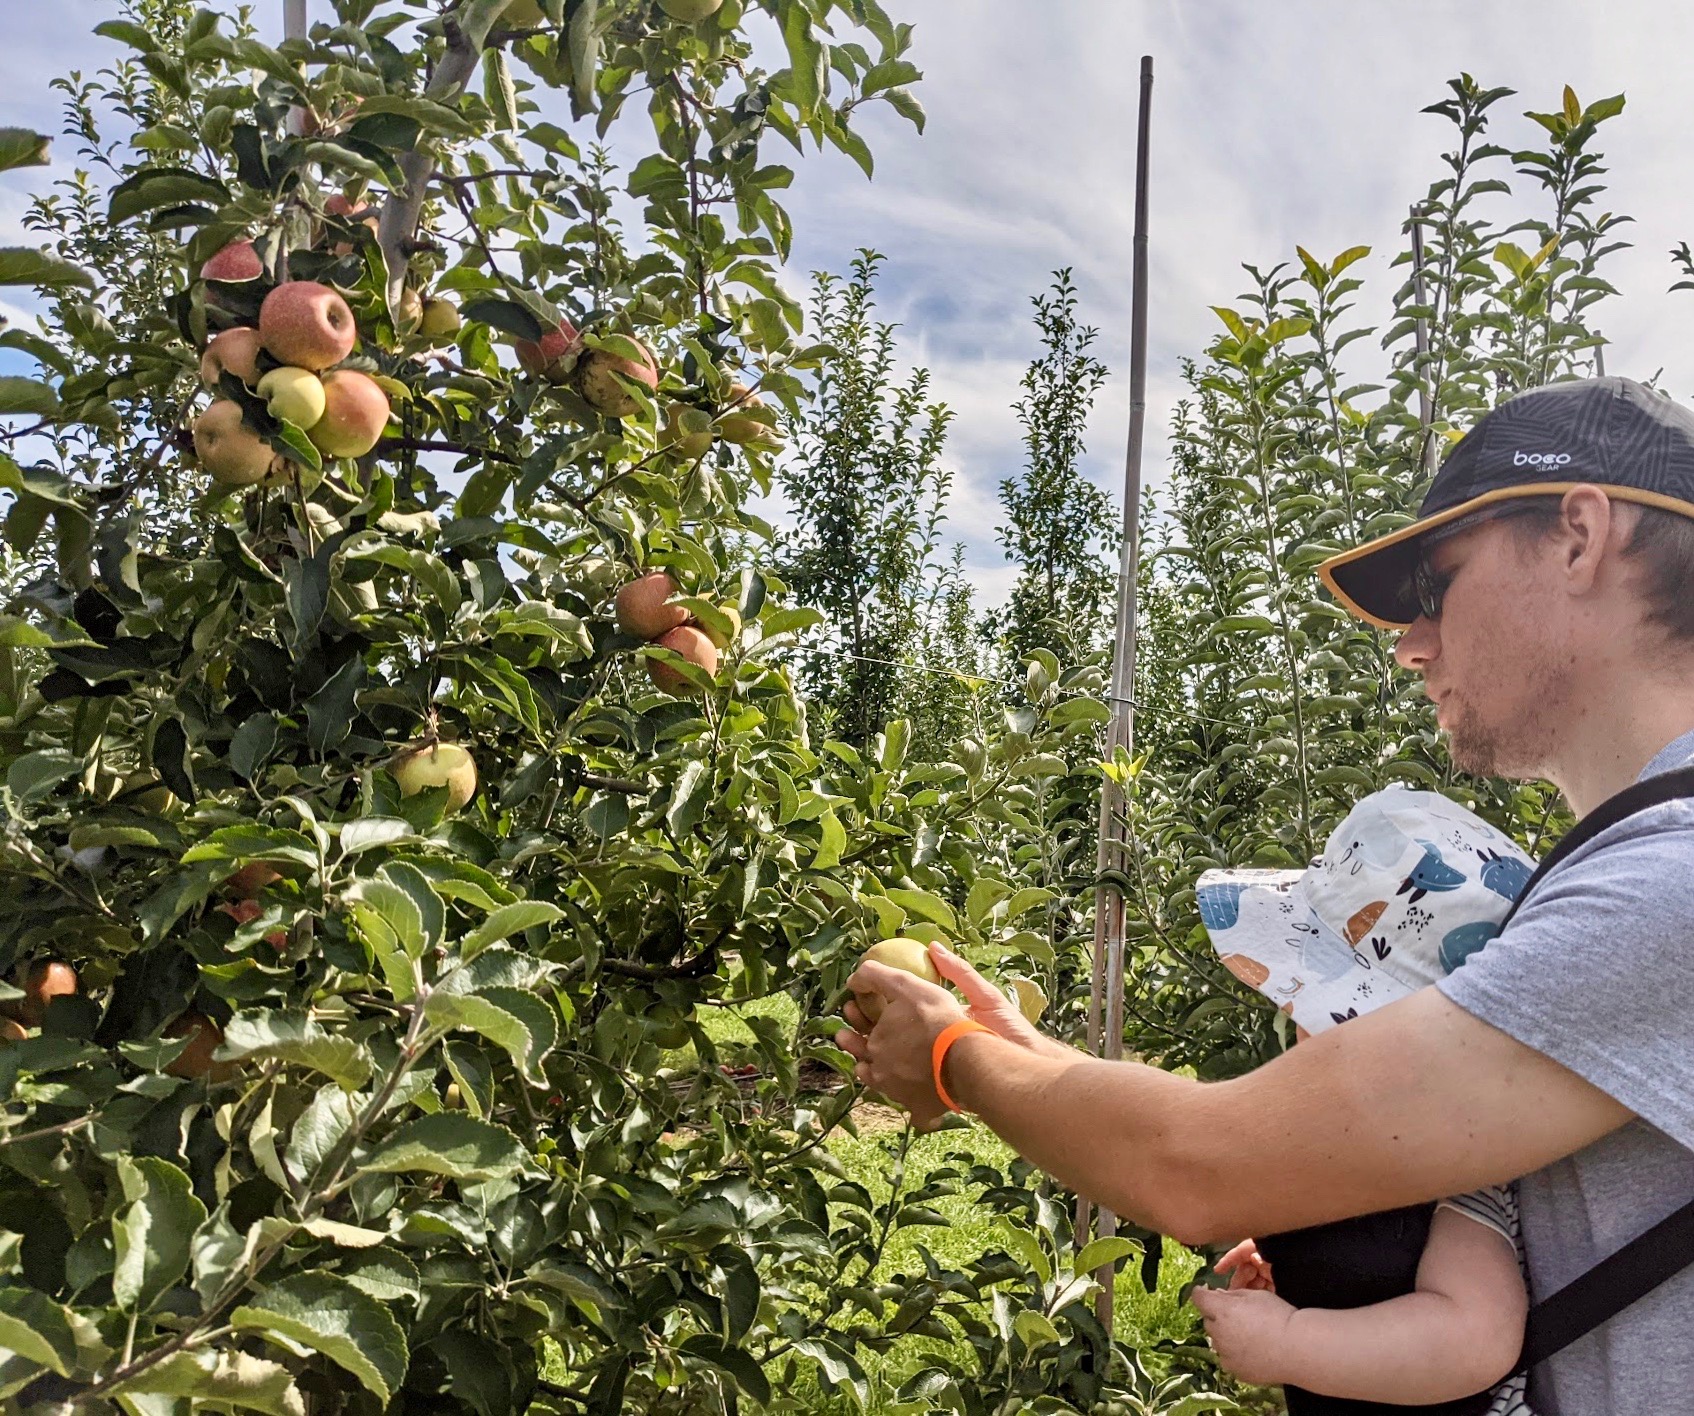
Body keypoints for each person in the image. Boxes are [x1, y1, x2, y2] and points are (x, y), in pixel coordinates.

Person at [834, 376, 1694, 1416]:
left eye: (1436, 583)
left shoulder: (1664, 886)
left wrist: (952, 1059)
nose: (1408, 645)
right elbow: (1271, 1148)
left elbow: (1196, 1165)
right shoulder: (1620, 872)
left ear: (1575, 535)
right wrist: (1016, 1048)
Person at [1192, 788, 1541, 1414]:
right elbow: (1379, 1258)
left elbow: (1474, 1338)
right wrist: (1304, 1260)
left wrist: (1292, 1342)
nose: (1293, 1021)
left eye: (1313, 1008)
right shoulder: (1368, 1134)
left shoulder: (1467, 1171)